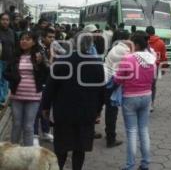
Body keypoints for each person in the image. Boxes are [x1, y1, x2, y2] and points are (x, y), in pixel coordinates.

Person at [42, 32, 106, 170]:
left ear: (74, 43)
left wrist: (45, 107)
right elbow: (101, 90)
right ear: (90, 45)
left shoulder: (62, 61)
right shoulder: (97, 63)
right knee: (80, 148)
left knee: (61, 147)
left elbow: (50, 87)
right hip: (86, 112)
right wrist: (98, 110)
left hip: (63, 112)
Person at [114, 31, 155, 170]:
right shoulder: (152, 58)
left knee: (131, 131)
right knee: (144, 130)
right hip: (147, 96)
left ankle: (130, 165)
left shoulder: (128, 58)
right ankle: (145, 163)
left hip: (130, 97)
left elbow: (118, 79)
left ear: (136, 44)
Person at [4, 31, 47, 146]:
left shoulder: (39, 56)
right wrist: (14, 77)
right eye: (22, 39)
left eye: (27, 39)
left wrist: (41, 63)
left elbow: (47, 75)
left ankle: (28, 154)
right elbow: (5, 73)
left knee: (28, 126)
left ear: (33, 42)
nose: (24, 41)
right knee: (17, 125)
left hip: (33, 97)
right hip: (16, 96)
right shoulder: (15, 56)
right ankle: (13, 151)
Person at [101, 30, 132, 148]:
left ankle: (108, 133)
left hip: (106, 80)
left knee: (110, 110)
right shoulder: (124, 50)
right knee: (112, 112)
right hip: (111, 82)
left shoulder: (116, 47)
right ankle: (110, 139)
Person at [146, 26, 167, 111]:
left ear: (146, 33)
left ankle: (145, 103)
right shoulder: (161, 42)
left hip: (144, 66)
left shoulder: (144, 41)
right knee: (153, 86)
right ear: (154, 32)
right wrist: (163, 68)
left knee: (145, 85)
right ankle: (151, 104)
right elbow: (163, 57)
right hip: (156, 66)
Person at [0, 13, 15, 104]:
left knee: (6, 79)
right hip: (0, 59)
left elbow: (15, 46)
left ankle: (4, 97)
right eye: (3, 19)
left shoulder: (11, 32)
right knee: (0, 79)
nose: (5, 21)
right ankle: (1, 99)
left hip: (9, 60)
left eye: (7, 20)